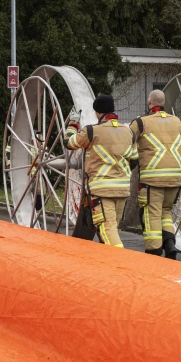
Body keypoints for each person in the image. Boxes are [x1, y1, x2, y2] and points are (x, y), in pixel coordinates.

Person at [130, 89, 181, 258]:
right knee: (165, 212)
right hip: (175, 180)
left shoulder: (140, 123)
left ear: (149, 102)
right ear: (163, 103)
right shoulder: (178, 122)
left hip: (152, 180)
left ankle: (154, 252)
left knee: (151, 214)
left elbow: (125, 143)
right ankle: (169, 244)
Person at [65, 94, 138, 248]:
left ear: (97, 112)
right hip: (123, 190)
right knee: (112, 229)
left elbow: (69, 143)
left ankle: (120, 261)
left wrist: (72, 124)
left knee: (107, 230)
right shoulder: (128, 133)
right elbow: (134, 160)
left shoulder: (92, 131)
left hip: (101, 190)